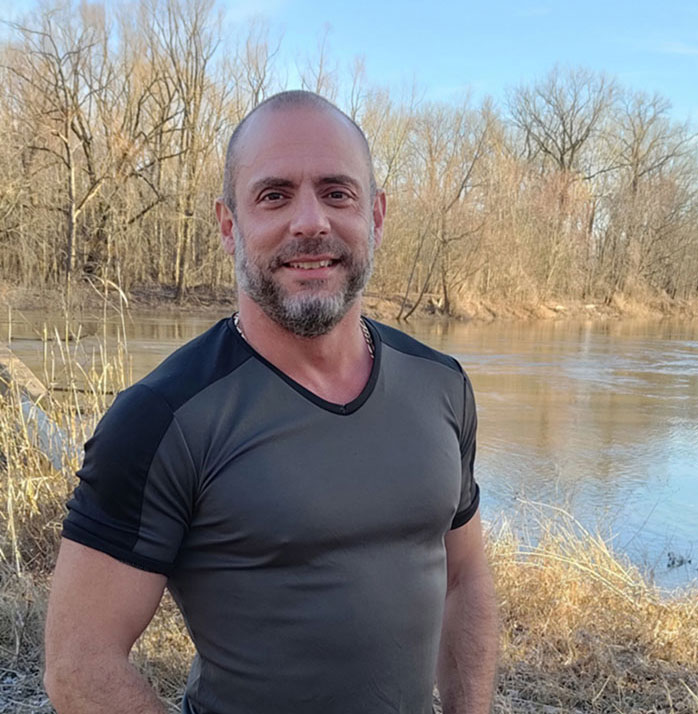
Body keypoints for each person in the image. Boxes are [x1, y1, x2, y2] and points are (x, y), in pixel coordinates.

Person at [44, 90, 498, 714]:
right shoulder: (162, 419)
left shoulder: (440, 385)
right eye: (275, 195)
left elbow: (464, 578)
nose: (310, 222)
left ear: (376, 215)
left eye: (337, 192)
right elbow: (78, 664)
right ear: (229, 225)